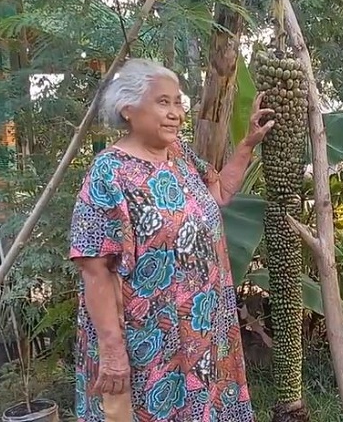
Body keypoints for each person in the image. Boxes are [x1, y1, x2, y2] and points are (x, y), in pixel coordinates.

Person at [68, 58, 274, 422]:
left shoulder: (179, 155)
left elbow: (219, 193)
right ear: (128, 108)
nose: (175, 113)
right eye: (163, 102)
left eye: (178, 102)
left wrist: (247, 145)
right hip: (147, 343)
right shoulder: (109, 172)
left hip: (203, 333)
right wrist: (112, 351)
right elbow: (95, 270)